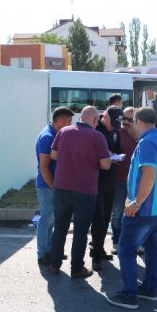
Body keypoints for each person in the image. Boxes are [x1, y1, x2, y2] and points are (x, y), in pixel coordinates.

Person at [106, 107, 157, 310]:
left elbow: (149, 175)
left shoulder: (147, 143)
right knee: (152, 248)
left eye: (132, 121)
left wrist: (136, 202)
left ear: (138, 121)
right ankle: (150, 289)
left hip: (144, 209)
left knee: (126, 249)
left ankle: (129, 294)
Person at [48, 106, 111, 279]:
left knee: (60, 228)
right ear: (95, 120)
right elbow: (106, 164)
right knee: (81, 231)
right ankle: (76, 268)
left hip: (61, 187)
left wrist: (70, 157)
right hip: (85, 190)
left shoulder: (64, 132)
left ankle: (54, 265)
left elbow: (53, 155)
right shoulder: (97, 136)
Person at [35, 106, 74, 266]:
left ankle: (51, 251)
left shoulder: (55, 134)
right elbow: (44, 167)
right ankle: (43, 253)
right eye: (69, 121)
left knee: (51, 220)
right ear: (60, 121)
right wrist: (53, 188)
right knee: (46, 220)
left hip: (52, 186)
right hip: (47, 187)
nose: (71, 124)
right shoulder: (47, 136)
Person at [90, 106, 119, 271]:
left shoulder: (114, 130)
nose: (112, 127)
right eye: (111, 123)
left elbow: (117, 147)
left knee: (106, 217)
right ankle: (95, 255)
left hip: (110, 179)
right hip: (97, 180)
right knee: (98, 219)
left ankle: (99, 248)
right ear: (104, 117)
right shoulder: (96, 130)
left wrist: (115, 155)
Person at [110, 107, 138, 254]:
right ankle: (116, 240)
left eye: (130, 120)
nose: (126, 122)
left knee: (137, 212)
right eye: (124, 119)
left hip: (137, 180)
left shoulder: (141, 134)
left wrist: (135, 135)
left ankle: (136, 241)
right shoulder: (117, 133)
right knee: (117, 212)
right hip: (119, 179)